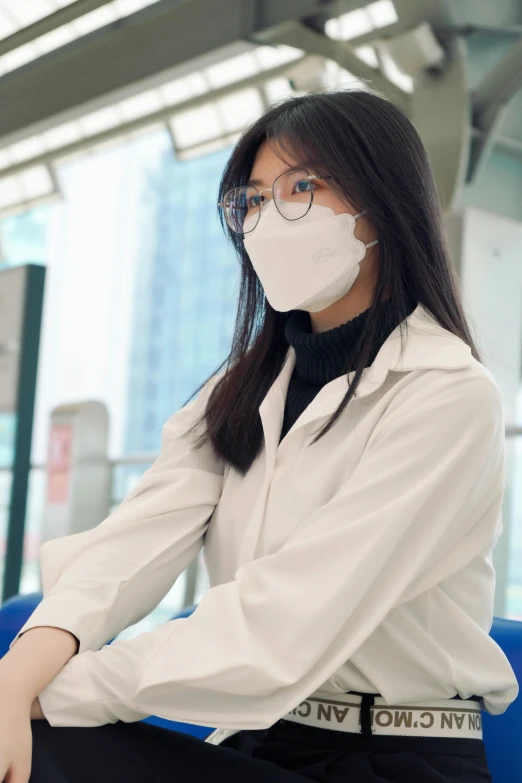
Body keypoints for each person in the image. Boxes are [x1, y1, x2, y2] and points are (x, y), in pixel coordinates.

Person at [0, 89, 518, 783]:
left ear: (382, 204)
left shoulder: (447, 394)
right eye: (252, 199)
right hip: (260, 740)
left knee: (53, 753)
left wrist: (52, 696)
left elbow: (282, 626)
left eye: (302, 186)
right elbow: (130, 545)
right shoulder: (238, 392)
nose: (268, 219)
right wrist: (16, 677)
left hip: (395, 758)